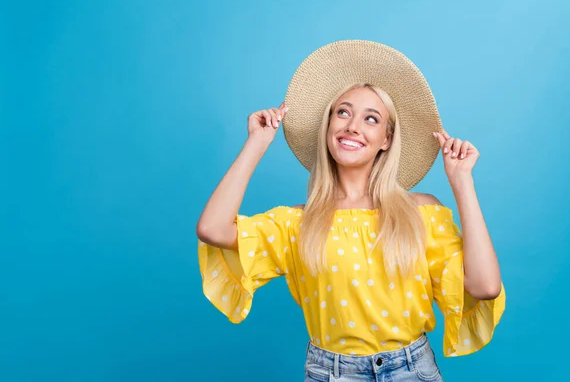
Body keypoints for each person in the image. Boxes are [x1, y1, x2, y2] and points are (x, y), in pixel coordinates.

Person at [196, 40, 506, 381]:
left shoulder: (421, 212)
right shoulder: (297, 223)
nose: (352, 126)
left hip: (411, 371)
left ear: (386, 139)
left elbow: (485, 286)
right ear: (328, 126)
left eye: (370, 119)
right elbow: (212, 229)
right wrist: (257, 143)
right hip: (330, 373)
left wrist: (462, 183)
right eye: (343, 112)